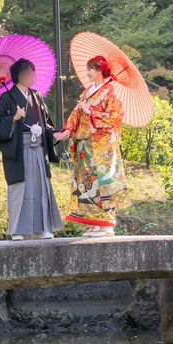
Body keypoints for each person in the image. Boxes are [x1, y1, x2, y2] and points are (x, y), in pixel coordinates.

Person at [54, 55, 126, 237]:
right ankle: (94, 223)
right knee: (87, 183)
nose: (87, 73)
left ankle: (106, 225)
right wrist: (68, 130)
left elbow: (114, 117)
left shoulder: (110, 92)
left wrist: (91, 111)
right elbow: (76, 113)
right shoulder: (88, 91)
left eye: (90, 69)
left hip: (102, 147)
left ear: (100, 70)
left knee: (103, 182)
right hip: (84, 144)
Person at [0, 58, 63, 240]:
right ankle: (17, 230)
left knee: (41, 188)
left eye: (33, 73)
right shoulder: (6, 98)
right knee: (20, 189)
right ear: (18, 75)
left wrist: (53, 134)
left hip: (38, 148)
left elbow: (46, 123)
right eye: (28, 73)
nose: (32, 76)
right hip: (19, 150)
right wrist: (14, 118)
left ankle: (41, 228)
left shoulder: (37, 96)